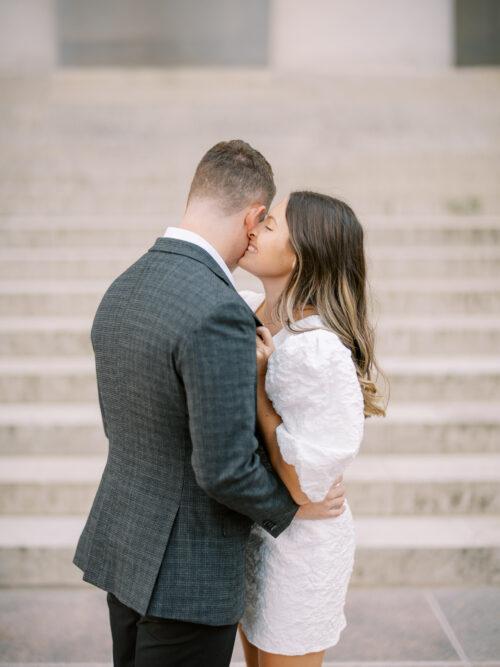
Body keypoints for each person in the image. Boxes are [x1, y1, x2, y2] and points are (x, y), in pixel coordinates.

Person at [72, 140, 347, 667]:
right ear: (254, 217)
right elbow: (224, 469)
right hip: (188, 576)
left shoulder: (126, 285)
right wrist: (292, 507)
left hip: (126, 550)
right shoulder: (217, 309)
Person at [236, 191, 387, 667]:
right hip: (256, 533)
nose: (253, 229)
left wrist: (261, 388)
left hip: (300, 552)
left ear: (302, 255)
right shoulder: (247, 311)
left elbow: (304, 486)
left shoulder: (319, 352)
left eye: (271, 225)